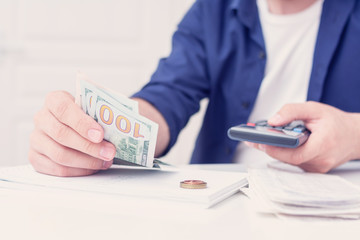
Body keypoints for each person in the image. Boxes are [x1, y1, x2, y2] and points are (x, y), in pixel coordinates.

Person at [29, 0, 360, 177]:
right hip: (219, 203)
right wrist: (95, 129)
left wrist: (353, 135)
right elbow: (165, 98)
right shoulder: (211, 10)